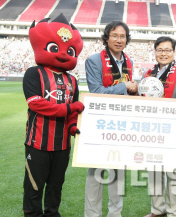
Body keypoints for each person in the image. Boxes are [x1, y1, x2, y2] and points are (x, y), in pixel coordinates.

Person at [22, 14, 84, 217]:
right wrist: (68, 109)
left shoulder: (72, 80)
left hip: (62, 145)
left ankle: (52, 213)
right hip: (37, 142)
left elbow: (73, 112)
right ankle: (32, 214)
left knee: (56, 185)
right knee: (34, 184)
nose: (64, 54)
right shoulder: (34, 73)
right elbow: (37, 104)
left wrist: (73, 125)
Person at [84, 20, 137, 217]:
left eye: (122, 36)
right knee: (95, 174)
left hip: (121, 125)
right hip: (99, 125)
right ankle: (92, 214)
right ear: (107, 38)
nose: (118, 40)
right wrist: (126, 87)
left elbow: (129, 93)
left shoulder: (129, 61)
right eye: (114, 35)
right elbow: (96, 91)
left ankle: (115, 214)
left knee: (118, 174)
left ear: (127, 39)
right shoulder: (94, 60)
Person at [142, 36, 176, 217]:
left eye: (167, 50)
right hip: (152, 131)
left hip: (173, 133)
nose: (163, 53)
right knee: (154, 173)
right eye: (160, 50)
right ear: (155, 52)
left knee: (174, 175)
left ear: (173, 52)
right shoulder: (148, 74)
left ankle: (174, 212)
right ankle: (157, 209)